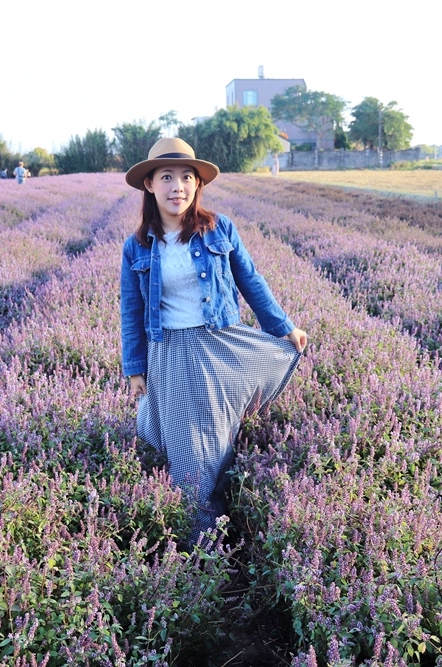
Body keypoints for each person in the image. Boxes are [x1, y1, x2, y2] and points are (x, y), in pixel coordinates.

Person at [120, 137, 308, 544]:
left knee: (215, 442)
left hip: (219, 348)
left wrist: (283, 327)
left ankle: (223, 529)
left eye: (187, 177)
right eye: (167, 177)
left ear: (197, 184)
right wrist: (135, 367)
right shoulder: (136, 246)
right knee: (189, 451)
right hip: (170, 352)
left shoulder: (219, 228)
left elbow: (250, 280)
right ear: (149, 184)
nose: (178, 187)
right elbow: (131, 310)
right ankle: (201, 544)